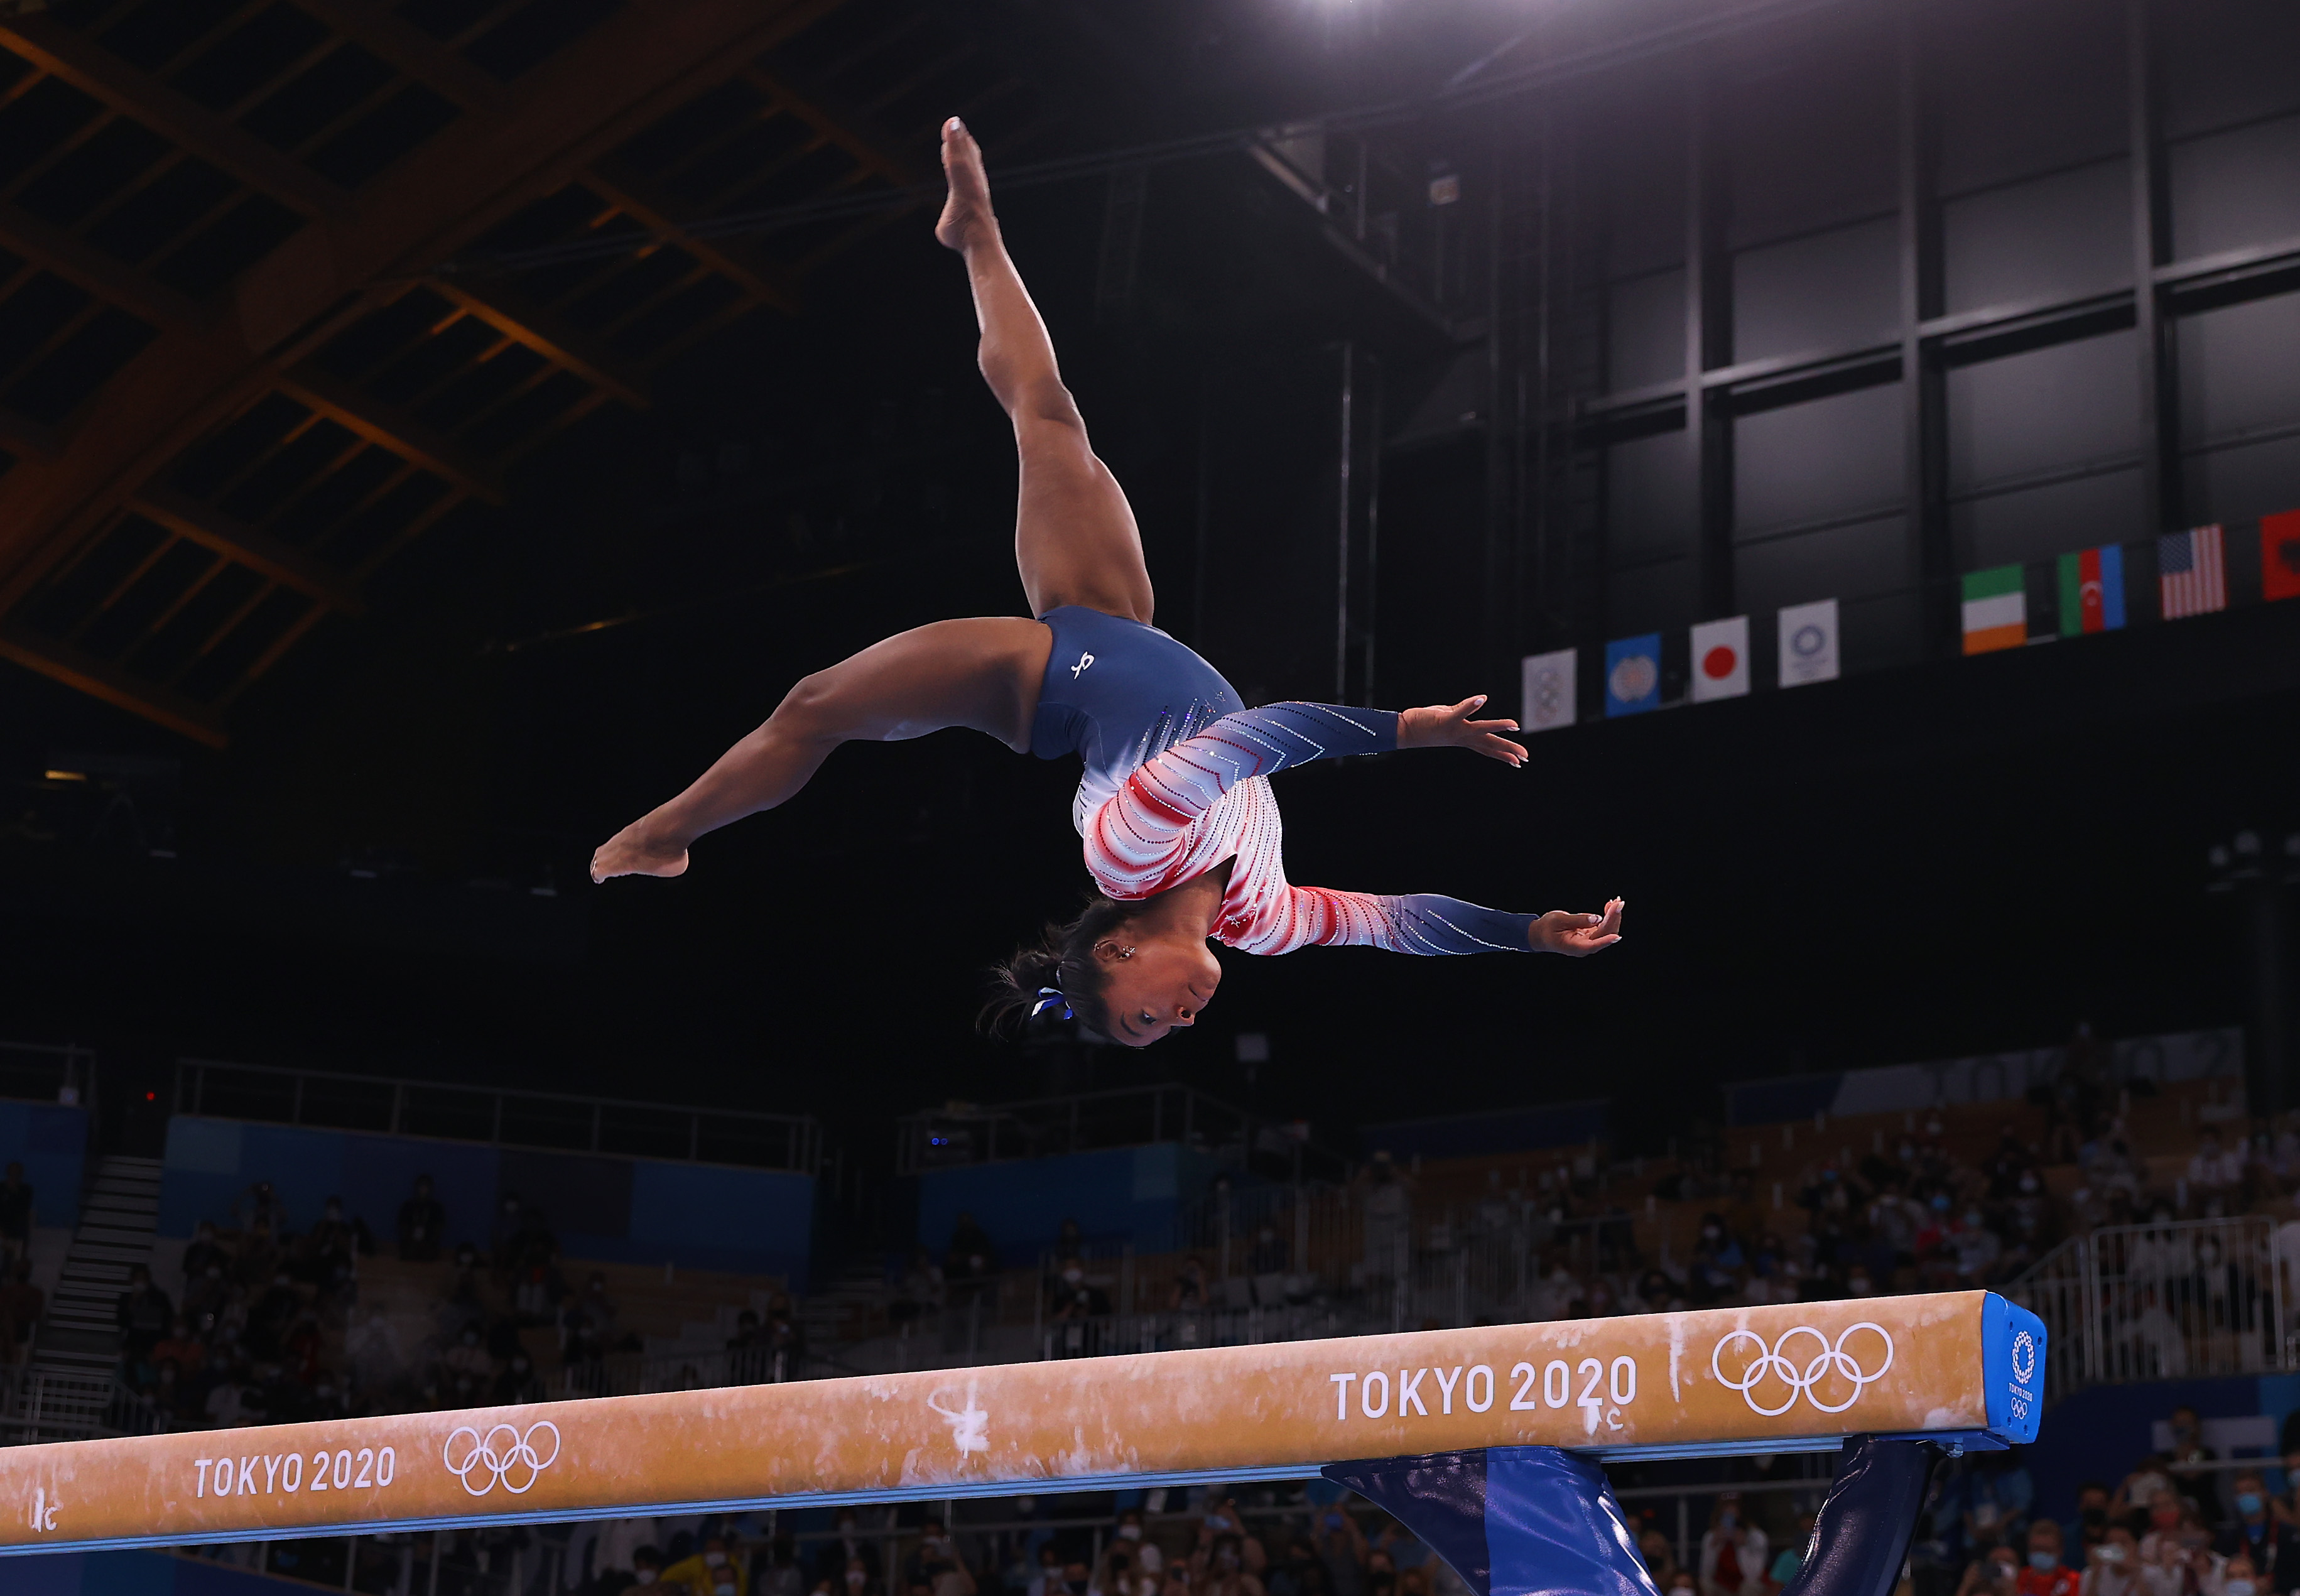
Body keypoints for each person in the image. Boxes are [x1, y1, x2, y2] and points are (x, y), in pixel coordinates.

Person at [589, 117, 1625, 1046]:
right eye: (1165, 1034)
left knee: (814, 704)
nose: (1176, 1021)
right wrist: (1530, 934)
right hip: (1120, 628)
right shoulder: (1260, 920)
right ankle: (977, 235)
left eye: (1144, 1017)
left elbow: (1258, 736)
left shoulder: (1129, 857)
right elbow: (1396, 923)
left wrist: (1412, 731)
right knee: (1049, 420)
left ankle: (659, 836)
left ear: (1117, 954)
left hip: (1046, 679)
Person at [2213, 1475, 2299, 1591]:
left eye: (2251, 1490)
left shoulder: (2289, 1535)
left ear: (2265, 1493)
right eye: (2240, 1492)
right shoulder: (2229, 1538)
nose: (2245, 1496)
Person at [1700, 1494, 1767, 1596]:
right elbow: (1706, 1573)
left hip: (1745, 1586)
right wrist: (1714, 1546)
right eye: (1726, 1507)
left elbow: (1753, 1576)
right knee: (1704, 1583)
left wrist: (1743, 1546)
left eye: (1734, 1507)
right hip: (1722, 1587)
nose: (1730, 1512)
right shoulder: (1711, 1536)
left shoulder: (1757, 1536)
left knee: (1751, 1586)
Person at [2019, 1522, 2080, 1596]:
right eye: (2036, 1549)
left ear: (2060, 1551)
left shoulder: (2074, 1580)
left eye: (2047, 1550)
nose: (2041, 1554)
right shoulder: (2020, 1577)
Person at [397, 1175, 446, 1262]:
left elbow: (439, 1228)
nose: (423, 1190)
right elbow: (402, 1225)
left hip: (428, 1244)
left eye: (426, 1187)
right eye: (421, 1186)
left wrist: (429, 1240)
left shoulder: (436, 1208)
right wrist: (411, 1238)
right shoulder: (408, 1206)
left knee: (428, 1255)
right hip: (410, 1243)